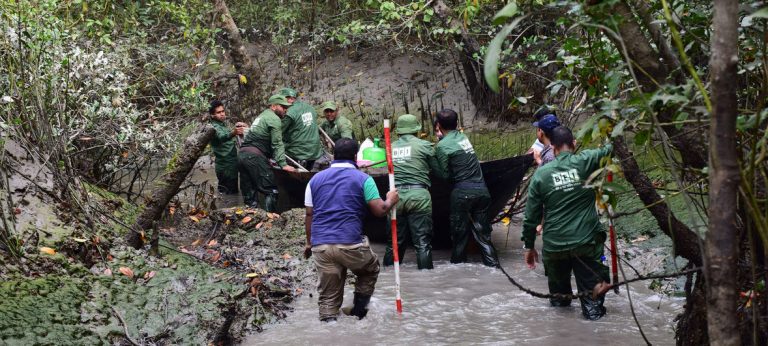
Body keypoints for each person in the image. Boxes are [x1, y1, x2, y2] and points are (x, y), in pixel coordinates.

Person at [521, 126, 612, 320]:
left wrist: (529, 246)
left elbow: (531, 218)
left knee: (559, 305)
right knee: (592, 306)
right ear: (574, 144)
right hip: (586, 244)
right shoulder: (586, 161)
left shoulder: (541, 174)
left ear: (552, 148)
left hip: (555, 248)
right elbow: (611, 148)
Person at [304, 138, 399, 322]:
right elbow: (380, 210)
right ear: (356, 157)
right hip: (350, 244)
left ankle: (329, 327)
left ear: (333, 156)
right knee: (370, 270)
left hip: (321, 246)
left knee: (328, 297)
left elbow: (309, 215)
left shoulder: (314, 180)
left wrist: (309, 243)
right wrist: (390, 199)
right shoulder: (364, 179)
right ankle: (359, 311)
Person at [433, 109, 499, 267]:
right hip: (483, 192)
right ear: (457, 124)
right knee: (483, 236)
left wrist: (432, 159)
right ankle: (494, 266)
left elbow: (444, 175)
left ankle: (457, 270)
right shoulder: (463, 137)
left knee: (459, 236)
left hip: (463, 194)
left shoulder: (442, 146)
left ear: (439, 125)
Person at [382, 114, 440, 270]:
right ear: (417, 130)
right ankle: (426, 279)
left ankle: (387, 276)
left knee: (394, 243)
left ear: (399, 131)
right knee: (422, 243)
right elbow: (439, 171)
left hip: (395, 198)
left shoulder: (389, 147)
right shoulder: (425, 146)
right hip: (419, 197)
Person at [238, 94, 296, 212]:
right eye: (283, 107)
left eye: (287, 107)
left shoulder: (262, 116)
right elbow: (277, 144)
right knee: (271, 189)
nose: (286, 110)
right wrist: (283, 164)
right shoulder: (274, 119)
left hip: (242, 156)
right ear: (274, 106)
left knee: (250, 191)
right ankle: (271, 220)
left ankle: (251, 217)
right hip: (254, 157)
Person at [278, 87, 327, 171]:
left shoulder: (289, 112)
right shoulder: (310, 108)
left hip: (299, 153)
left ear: (288, 99)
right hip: (315, 150)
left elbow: (278, 131)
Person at [208, 100, 246, 194]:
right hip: (225, 166)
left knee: (230, 192)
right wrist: (234, 132)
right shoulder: (213, 127)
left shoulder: (222, 124)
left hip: (230, 164)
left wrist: (237, 127)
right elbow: (221, 137)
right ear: (212, 115)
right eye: (218, 112)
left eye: (223, 111)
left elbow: (226, 134)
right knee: (229, 194)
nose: (222, 114)